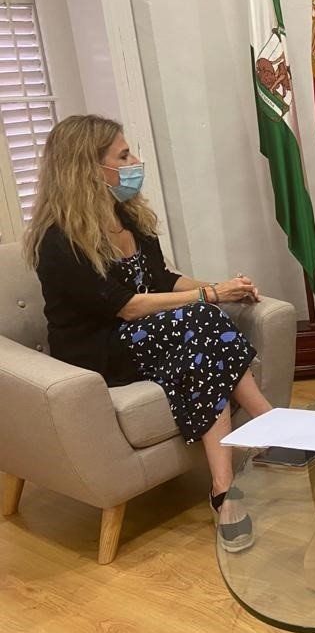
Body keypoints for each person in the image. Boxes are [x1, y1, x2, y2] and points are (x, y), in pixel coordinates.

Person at [22, 115, 272, 553]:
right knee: (202, 319)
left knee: (203, 339)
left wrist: (223, 288)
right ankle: (271, 426)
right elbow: (126, 306)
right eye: (123, 156)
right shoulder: (58, 240)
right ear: (88, 168)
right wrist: (210, 295)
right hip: (98, 349)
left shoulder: (127, 217)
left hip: (149, 335)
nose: (134, 162)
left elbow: (162, 279)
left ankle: (223, 488)